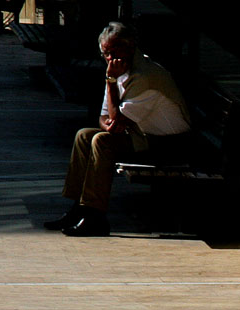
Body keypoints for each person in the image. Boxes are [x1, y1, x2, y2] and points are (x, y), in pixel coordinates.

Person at [44, 22, 192, 237]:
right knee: (84, 135)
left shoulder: (145, 76)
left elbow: (115, 122)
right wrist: (111, 119)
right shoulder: (118, 71)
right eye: (106, 53)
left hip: (169, 144)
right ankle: (79, 208)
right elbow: (104, 117)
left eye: (115, 51)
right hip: (142, 135)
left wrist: (111, 82)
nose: (110, 58)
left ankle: (95, 216)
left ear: (130, 47)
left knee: (102, 142)